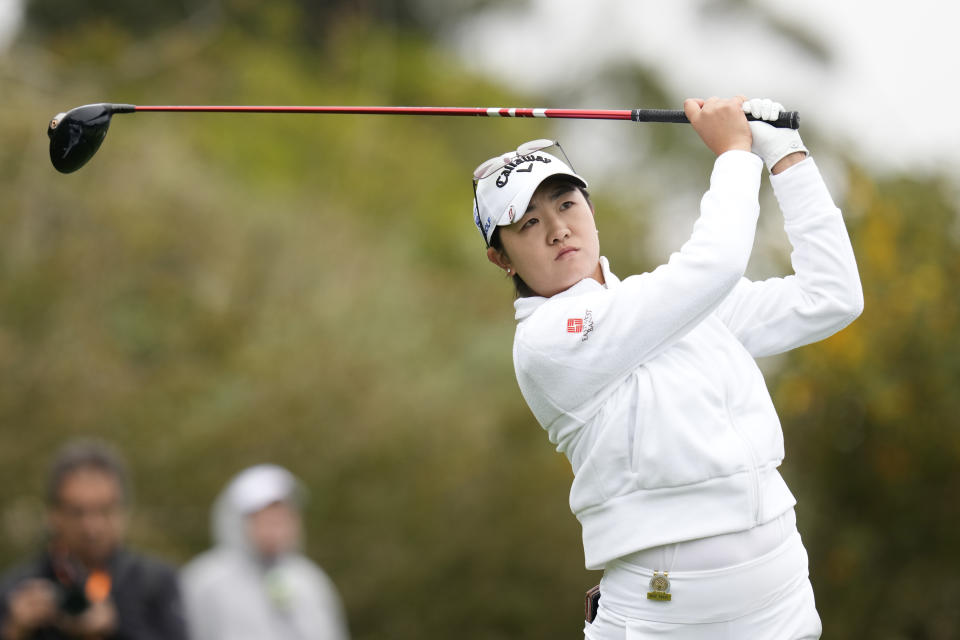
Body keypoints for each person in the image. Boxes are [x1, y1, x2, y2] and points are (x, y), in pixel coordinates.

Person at [471, 96, 863, 639]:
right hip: (662, 617)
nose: (557, 229)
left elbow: (832, 296)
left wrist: (785, 153)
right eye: (528, 222)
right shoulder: (546, 343)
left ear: (589, 209)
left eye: (566, 205)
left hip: (784, 601)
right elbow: (715, 264)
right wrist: (733, 153)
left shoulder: (668, 304)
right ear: (502, 258)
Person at [0, 439, 187, 640]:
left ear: (123, 512)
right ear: (53, 515)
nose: (91, 527)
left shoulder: (155, 584)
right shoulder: (18, 586)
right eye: (77, 512)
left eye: (104, 511)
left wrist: (116, 628)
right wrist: (15, 630)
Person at [180, 464, 350, 640]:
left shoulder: (309, 580)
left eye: (284, 518)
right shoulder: (206, 581)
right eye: (265, 519)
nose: (276, 529)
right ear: (238, 523)